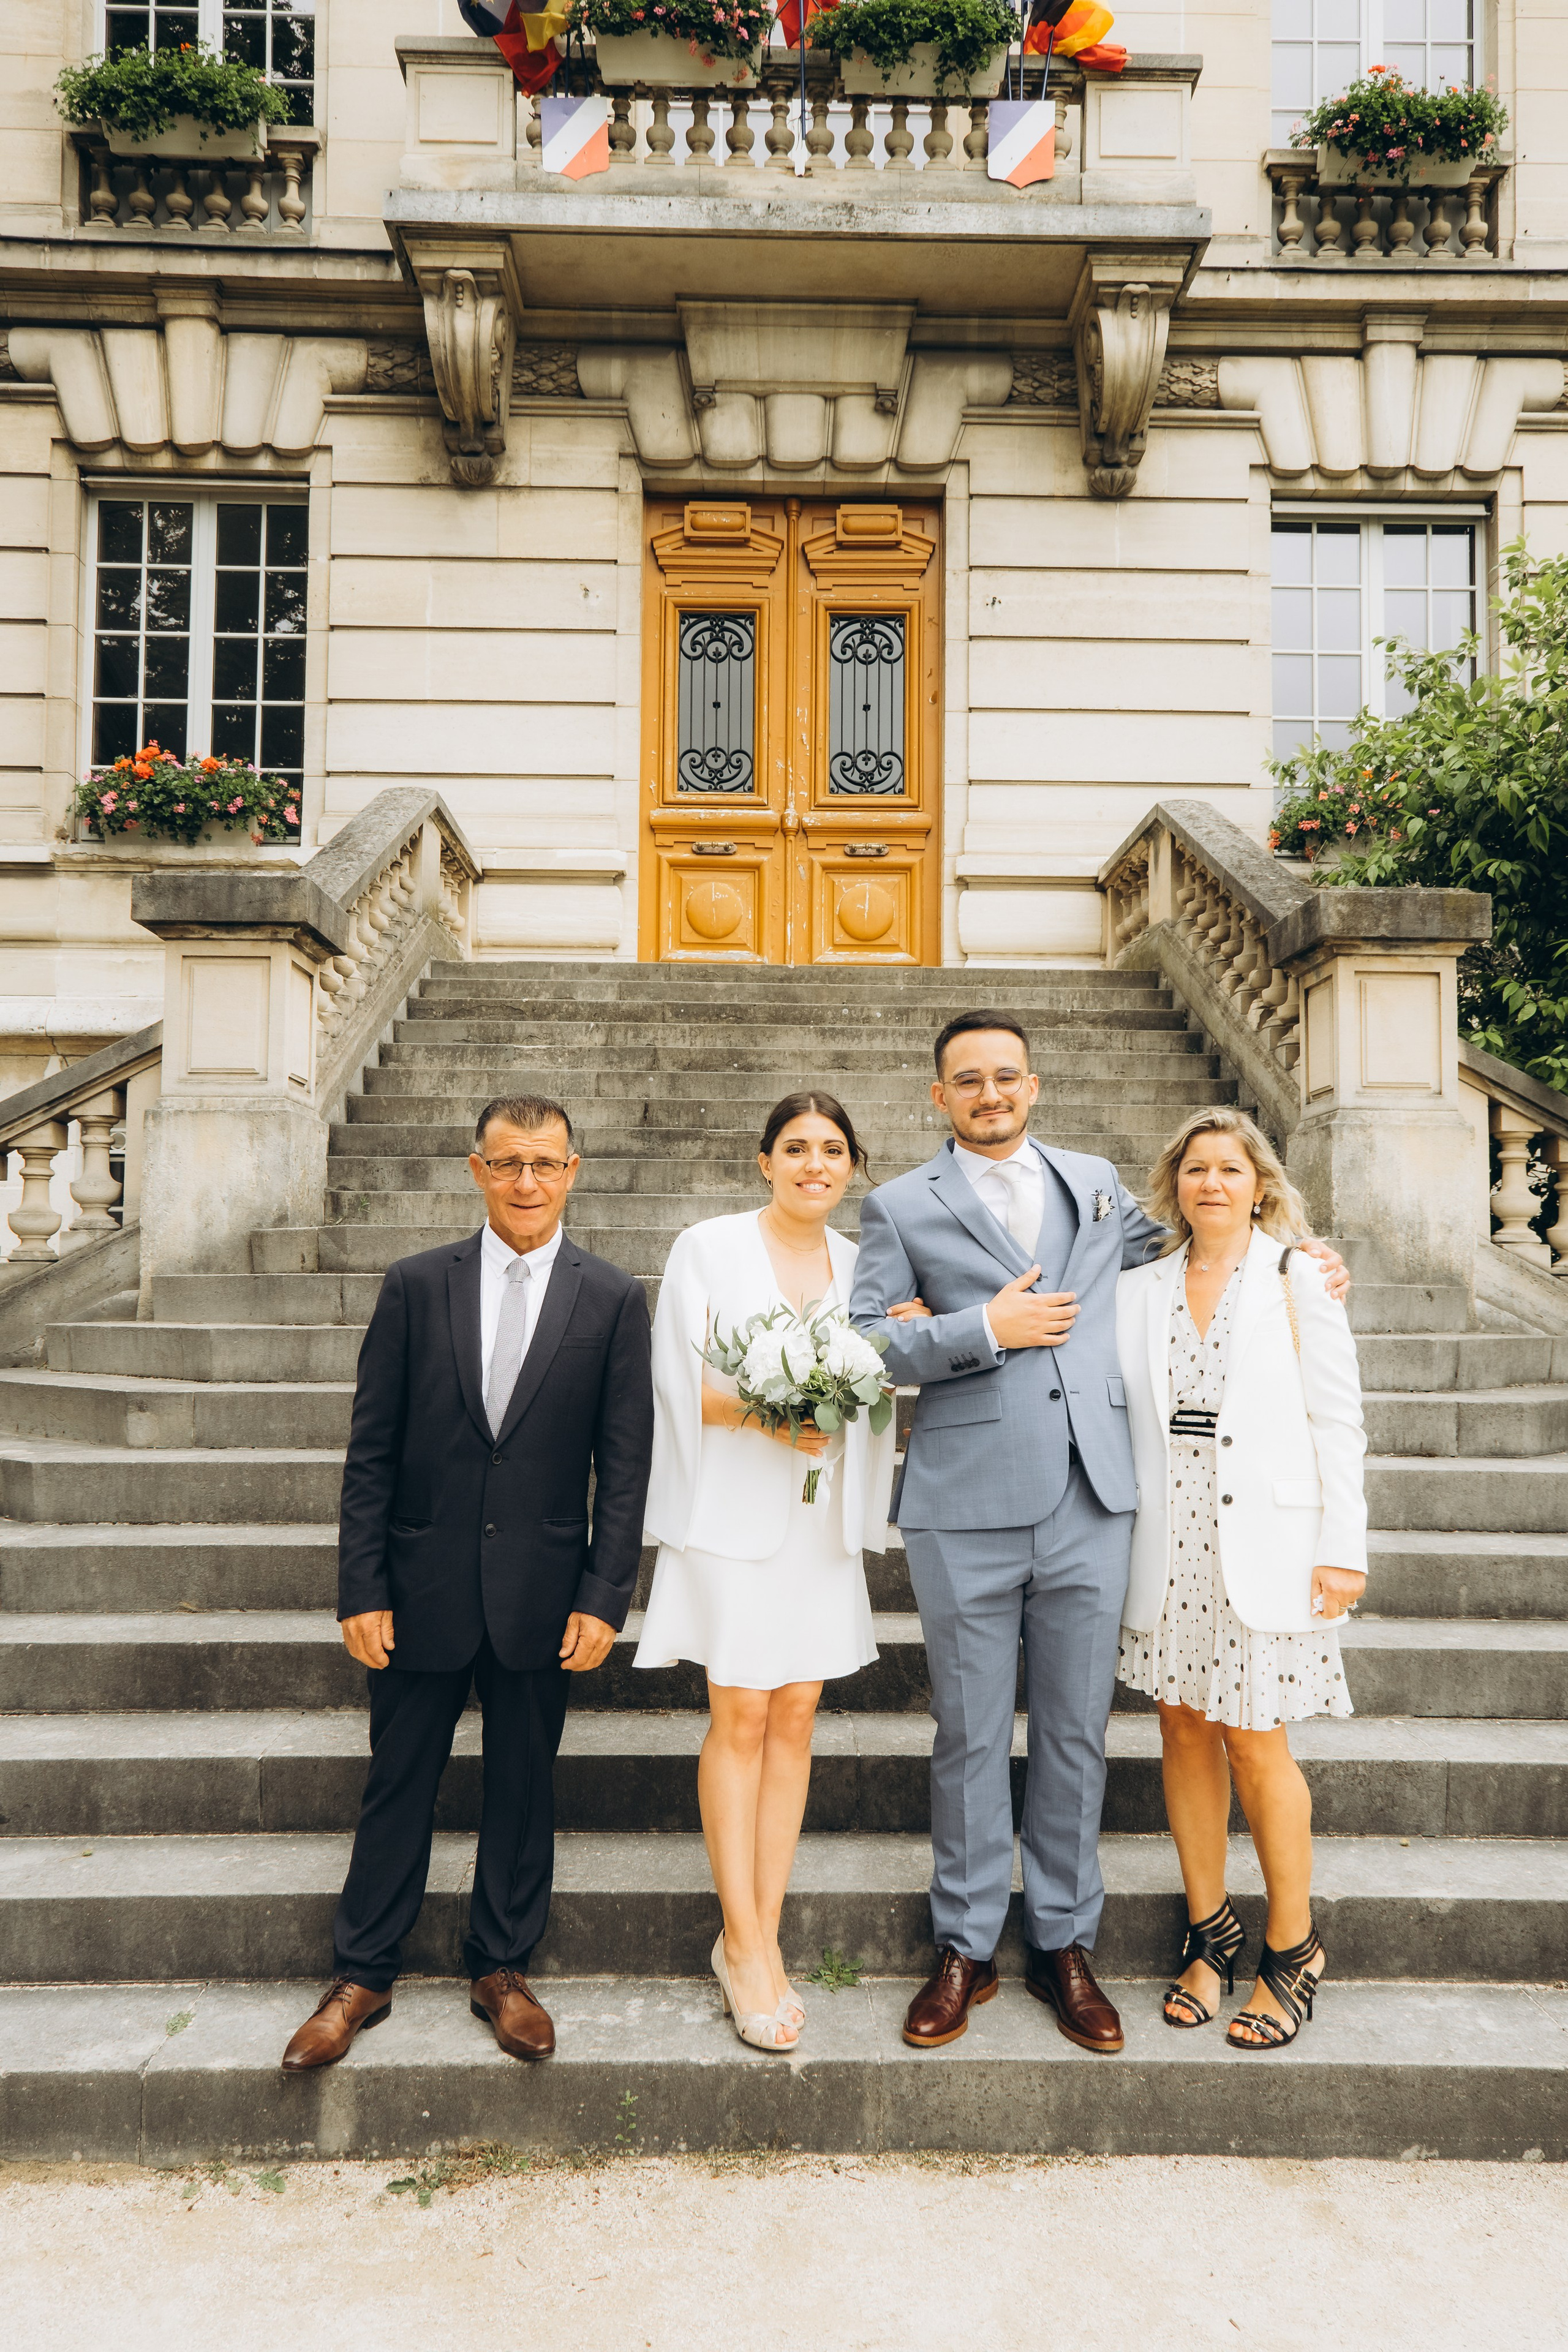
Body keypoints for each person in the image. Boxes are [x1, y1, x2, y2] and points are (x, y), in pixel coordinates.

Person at [848, 1011, 1350, 2057]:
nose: (991, 1093)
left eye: (1007, 1076)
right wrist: (981, 1329)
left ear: (1034, 1086)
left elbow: (1198, 1245)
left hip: (1093, 1500)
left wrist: (1304, 1258)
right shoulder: (899, 1205)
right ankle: (965, 1947)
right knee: (970, 1734)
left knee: (1077, 1733)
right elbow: (866, 1346)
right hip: (964, 1505)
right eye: (968, 1080)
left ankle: (1064, 1944)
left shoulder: (1097, 1184)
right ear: (940, 1097)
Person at [281, 1093, 653, 2073]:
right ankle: (361, 1974)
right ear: (477, 1170)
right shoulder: (416, 1285)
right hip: (419, 1586)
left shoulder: (613, 1298)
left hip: (544, 1592)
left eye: (545, 1164)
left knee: (523, 1787)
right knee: (397, 1781)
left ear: (573, 1172)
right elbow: (371, 1452)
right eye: (508, 1164)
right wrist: (361, 1587)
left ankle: (503, 1968)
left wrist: (603, 1594)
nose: (527, 1182)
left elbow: (626, 1467)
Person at [638, 1093, 899, 2053]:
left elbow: (879, 1374)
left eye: (832, 1149)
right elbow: (677, 1383)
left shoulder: (864, 1268)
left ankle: (763, 1932)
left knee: (796, 1720)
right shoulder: (708, 1248)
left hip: (816, 1526)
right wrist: (769, 1414)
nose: (814, 1164)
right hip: (729, 1517)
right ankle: (742, 1946)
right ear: (765, 1161)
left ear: (851, 1166)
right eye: (796, 1148)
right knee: (741, 1716)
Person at [1115, 1106, 1366, 2050]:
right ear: (1174, 1186)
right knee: (1182, 1731)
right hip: (1168, 1543)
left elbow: (1337, 1419)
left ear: (1260, 1184)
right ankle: (1210, 1931)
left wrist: (1344, 1544)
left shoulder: (1300, 1277)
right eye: (1196, 1169)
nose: (1211, 1183)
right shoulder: (1139, 1288)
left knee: (1259, 1745)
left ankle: (1293, 1948)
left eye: (1230, 1168)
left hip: (1268, 1545)